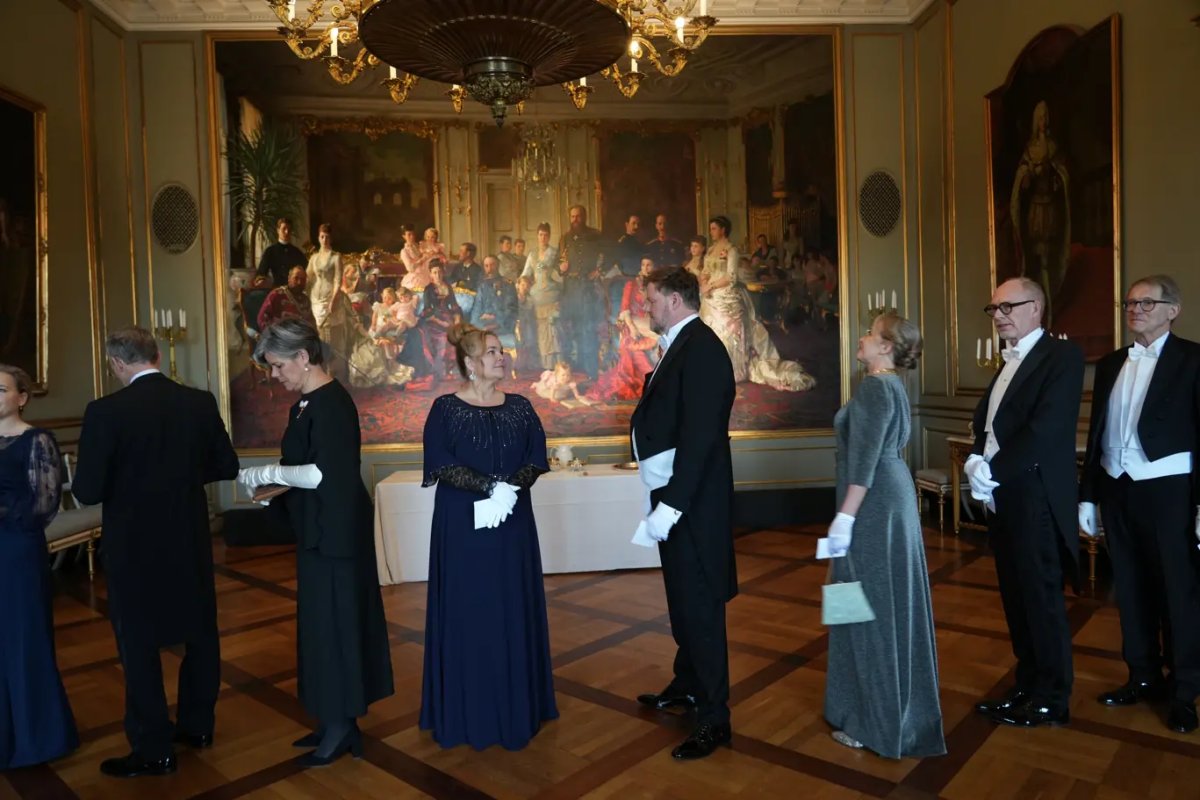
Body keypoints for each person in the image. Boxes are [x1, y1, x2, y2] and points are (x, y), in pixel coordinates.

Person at [73, 327, 240, 778]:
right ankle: (198, 727)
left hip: (133, 545)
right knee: (200, 634)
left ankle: (153, 748)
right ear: (157, 355)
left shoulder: (106, 411)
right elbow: (227, 464)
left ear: (117, 364)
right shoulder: (199, 401)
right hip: (188, 537)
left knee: (139, 644)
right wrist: (179, 478)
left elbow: (87, 490)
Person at [238, 318, 394, 766]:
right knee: (321, 626)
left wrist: (263, 475)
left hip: (338, 534)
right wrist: (273, 491)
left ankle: (343, 727)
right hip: (319, 530)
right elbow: (301, 469)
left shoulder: (332, 404)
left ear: (303, 358)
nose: (274, 374)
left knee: (338, 625)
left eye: (278, 365)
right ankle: (332, 719)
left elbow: (322, 473)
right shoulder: (305, 405)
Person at [420, 323, 558, 749]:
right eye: (493, 352)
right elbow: (440, 462)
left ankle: (518, 705)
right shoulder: (444, 409)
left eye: (502, 351)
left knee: (511, 605)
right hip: (462, 528)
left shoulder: (521, 406)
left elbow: (536, 457)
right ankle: (468, 709)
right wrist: (489, 487)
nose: (502, 357)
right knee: (470, 609)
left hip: (512, 524)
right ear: (470, 363)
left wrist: (509, 489)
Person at [1079, 275, 1200, 734]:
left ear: (1173, 309)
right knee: (1129, 588)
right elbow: (1096, 436)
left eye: (1147, 302)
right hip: (1117, 486)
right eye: (1130, 302)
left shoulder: (1193, 358)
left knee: (1179, 591)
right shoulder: (1111, 363)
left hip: (1170, 490)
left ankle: (1185, 689)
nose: (1135, 309)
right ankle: (1143, 676)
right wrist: (1087, 495)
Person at [823, 314, 945, 758]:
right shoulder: (888, 383)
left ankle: (874, 723)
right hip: (884, 500)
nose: (862, 337)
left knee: (863, 608)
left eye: (870, 334)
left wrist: (845, 519)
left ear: (886, 346)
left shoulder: (875, 387)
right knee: (857, 602)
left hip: (871, 505)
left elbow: (865, 462)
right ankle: (854, 707)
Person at [967, 277, 1084, 728]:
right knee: (1015, 598)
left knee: (1041, 599)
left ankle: (1053, 695)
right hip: (1003, 497)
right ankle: (1027, 682)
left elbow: (1045, 430)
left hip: (1034, 496)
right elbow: (989, 425)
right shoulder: (1006, 363)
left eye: (1007, 307)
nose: (998, 316)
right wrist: (975, 460)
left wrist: (990, 471)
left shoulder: (1062, 356)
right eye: (993, 309)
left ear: (1036, 307)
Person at [631, 268, 737, 760]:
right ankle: (687, 683)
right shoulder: (682, 344)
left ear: (674, 299)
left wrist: (671, 505)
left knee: (701, 609)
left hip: (692, 506)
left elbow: (701, 438)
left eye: (650, 301)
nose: (645, 309)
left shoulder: (703, 350)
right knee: (682, 601)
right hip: (677, 499)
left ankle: (715, 717)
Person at [0, 364, 78, 769]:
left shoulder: (37, 440)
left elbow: (44, 505)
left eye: (1, 389)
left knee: (23, 637)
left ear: (22, 397)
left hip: (16, 549)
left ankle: (36, 738)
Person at [700, 215, 815, 391]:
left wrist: (712, 285)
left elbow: (731, 277)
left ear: (723, 229)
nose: (711, 231)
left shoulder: (731, 250)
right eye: (711, 228)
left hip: (726, 296)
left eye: (714, 228)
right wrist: (704, 284)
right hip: (710, 298)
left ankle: (732, 370)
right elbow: (706, 271)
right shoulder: (710, 250)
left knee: (728, 334)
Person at [586, 256, 659, 403]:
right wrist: (632, 328)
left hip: (649, 322)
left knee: (664, 335)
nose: (645, 268)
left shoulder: (657, 285)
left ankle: (656, 379)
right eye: (643, 264)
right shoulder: (631, 284)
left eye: (649, 265)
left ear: (654, 267)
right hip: (632, 322)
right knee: (634, 344)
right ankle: (648, 379)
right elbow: (624, 308)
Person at [557, 205, 606, 379]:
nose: (575, 219)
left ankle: (591, 370)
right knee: (570, 330)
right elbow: (558, 262)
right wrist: (561, 268)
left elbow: (606, 254)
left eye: (578, 216)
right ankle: (573, 370)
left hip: (587, 288)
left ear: (584, 217)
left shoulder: (595, 235)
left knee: (588, 328)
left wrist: (599, 270)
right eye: (572, 216)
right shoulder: (564, 238)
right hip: (569, 289)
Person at [521, 222, 562, 370]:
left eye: (545, 235)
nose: (543, 237)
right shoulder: (532, 254)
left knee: (554, 330)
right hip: (537, 296)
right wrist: (522, 286)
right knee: (541, 331)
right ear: (537, 236)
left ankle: (558, 364)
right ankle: (546, 365)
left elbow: (561, 274)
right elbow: (525, 274)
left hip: (552, 293)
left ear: (549, 236)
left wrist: (556, 274)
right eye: (540, 235)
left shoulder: (555, 252)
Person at [257, 265, 316, 331]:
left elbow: (312, 324)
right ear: (289, 279)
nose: (299, 282)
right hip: (280, 337)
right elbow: (262, 319)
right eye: (296, 278)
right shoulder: (277, 295)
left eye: (302, 279)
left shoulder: (306, 300)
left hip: (301, 338)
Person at [256, 217, 307, 288]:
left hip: (294, 290)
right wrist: (260, 280)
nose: (286, 232)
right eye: (284, 229)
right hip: (277, 289)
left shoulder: (296, 252)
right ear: (278, 230)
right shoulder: (270, 251)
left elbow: (305, 270)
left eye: (289, 230)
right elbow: (261, 271)